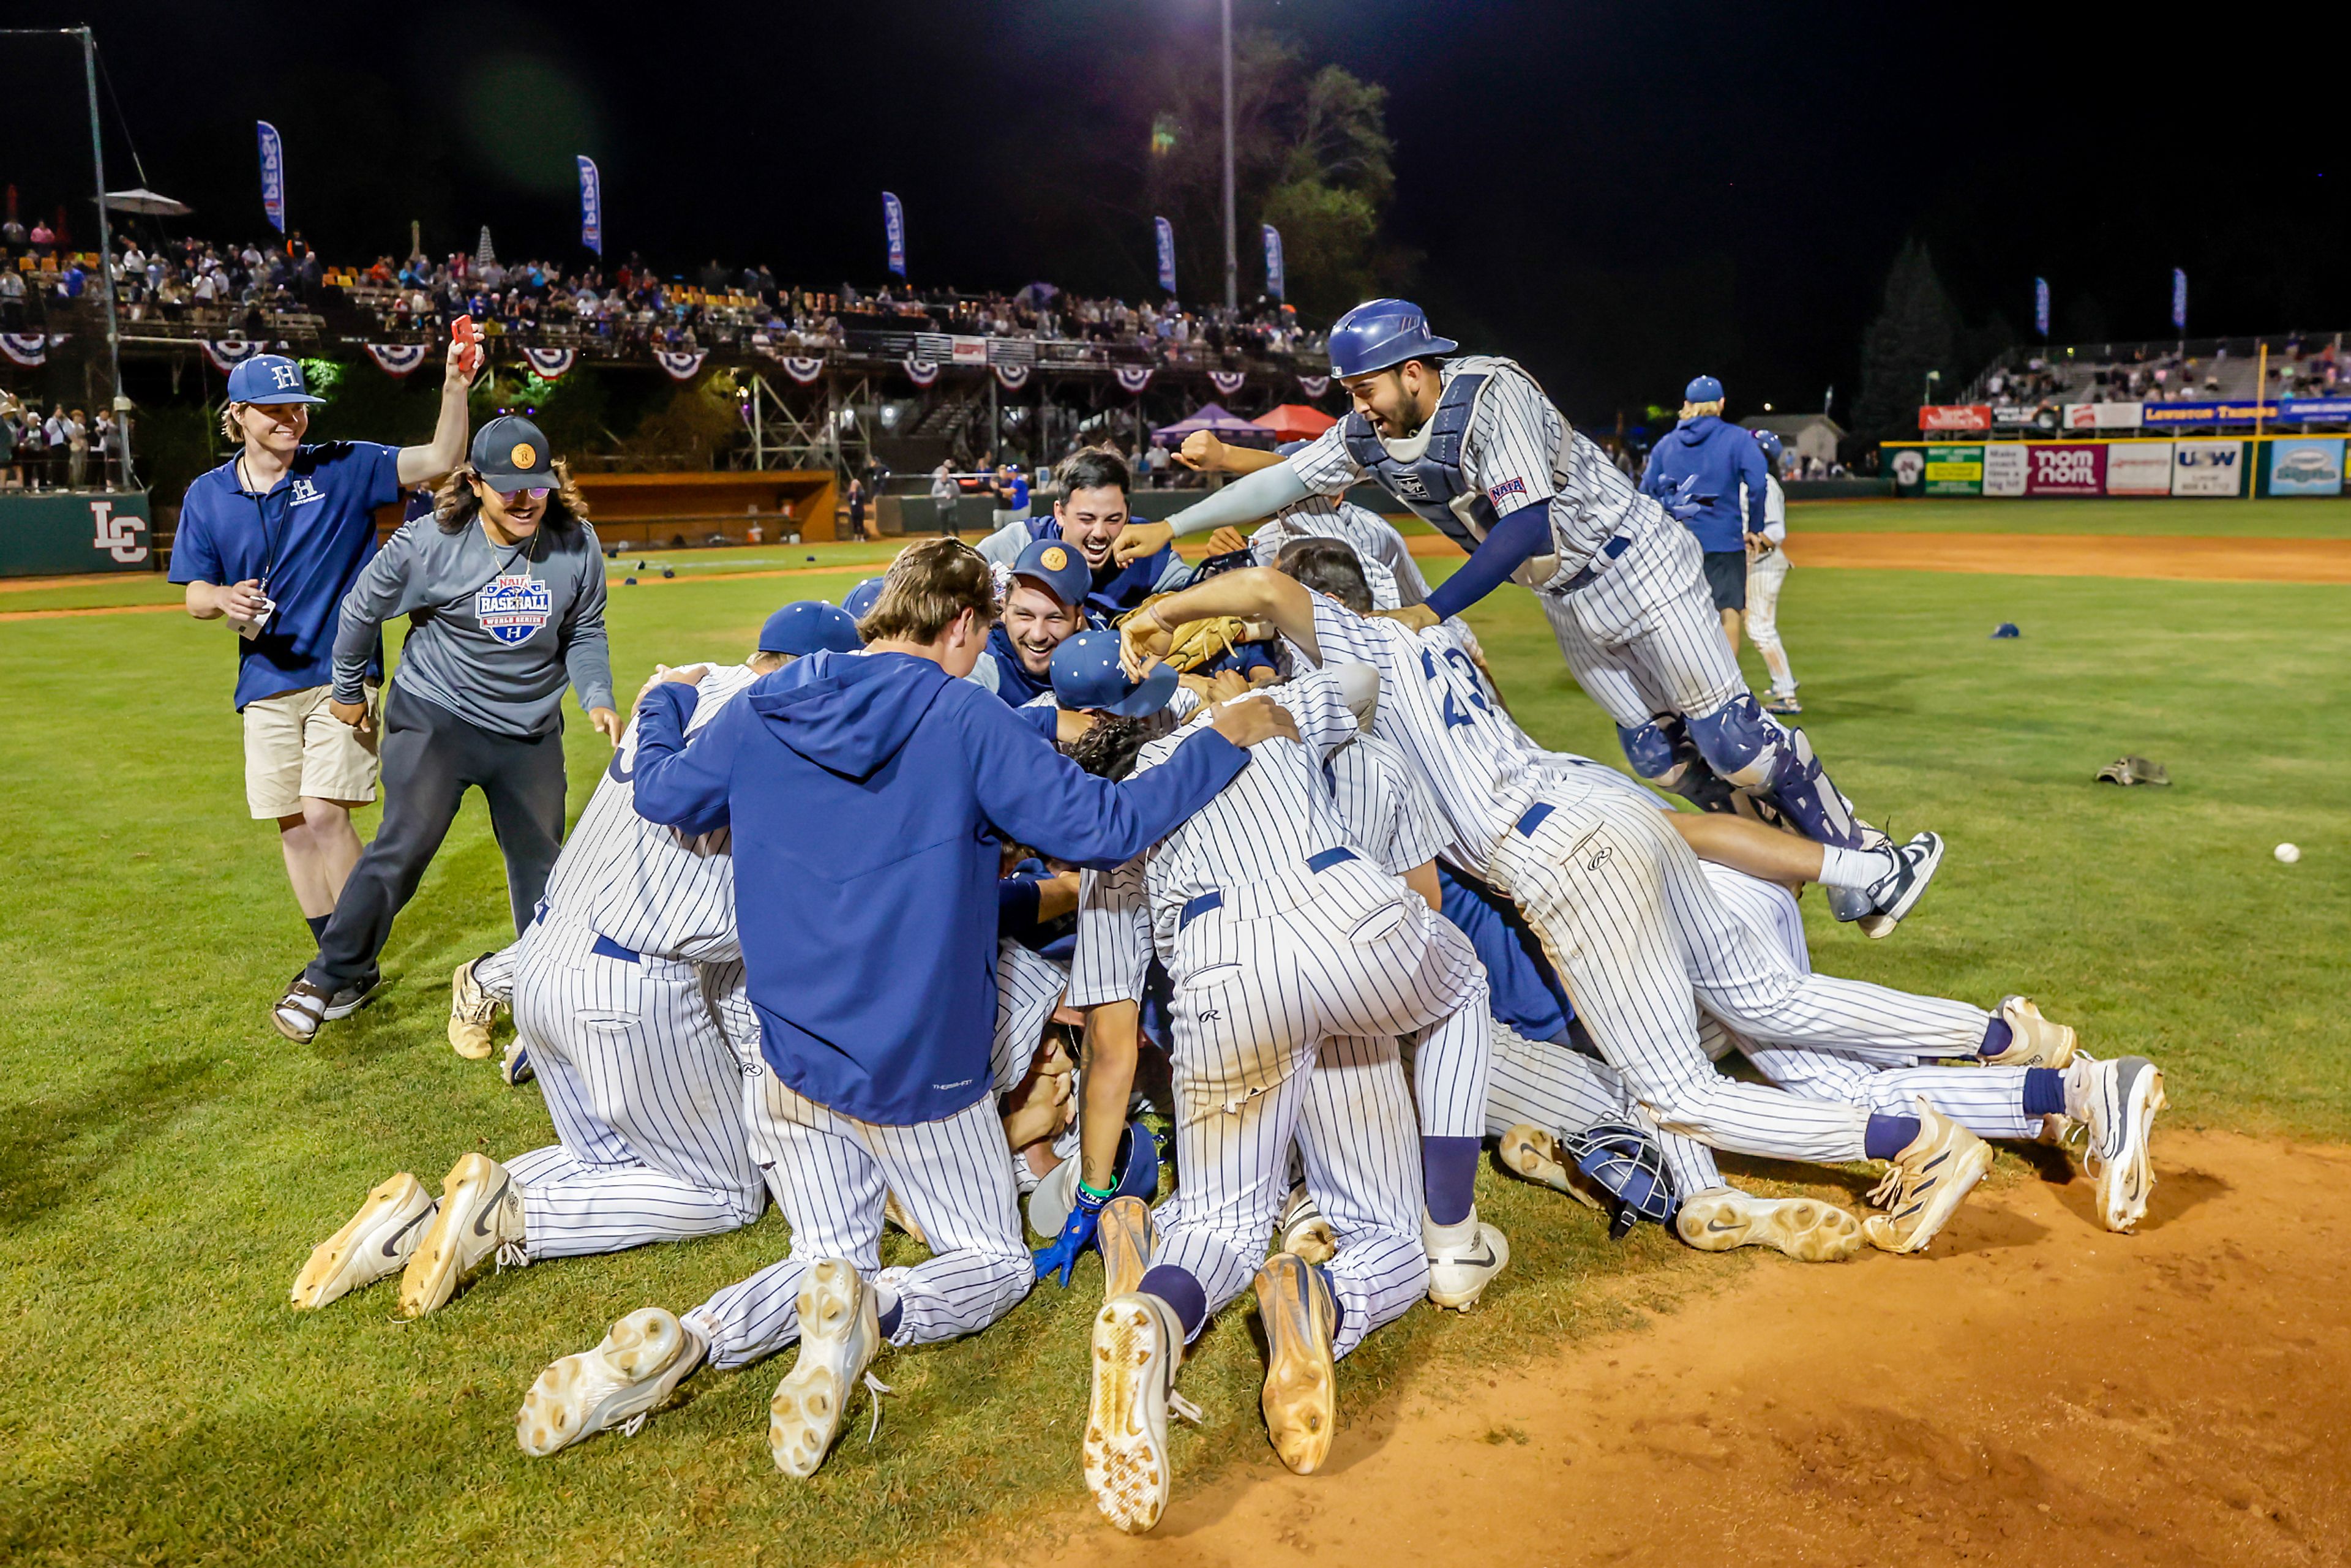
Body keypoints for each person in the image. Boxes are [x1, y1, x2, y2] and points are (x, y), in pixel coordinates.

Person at [515, 538, 1298, 1478]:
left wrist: (669, 700)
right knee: (993, 1261)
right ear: (965, 625)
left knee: (828, 1254)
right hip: (919, 1065)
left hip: (790, 1055)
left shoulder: (768, 701)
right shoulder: (965, 716)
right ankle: (875, 1319)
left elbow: (667, 792)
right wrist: (1227, 736)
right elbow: (1107, 828)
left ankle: (692, 1338)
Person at [1123, 551, 2072, 1259]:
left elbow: (1269, 596)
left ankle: (1916, 1142)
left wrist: (1167, 614)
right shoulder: (1426, 639)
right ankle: (2013, 1048)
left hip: (1570, 861)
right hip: (1623, 818)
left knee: (1678, 1094)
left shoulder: (1355, 669)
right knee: (1770, 1009)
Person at [1114, 300, 1915, 934]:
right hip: (1568, 594)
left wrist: (1431, 608)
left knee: (1732, 739)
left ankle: (1860, 851)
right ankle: (1784, 852)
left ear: (1416, 371)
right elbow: (1284, 481)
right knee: (1658, 758)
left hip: (1636, 561)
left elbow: (1526, 525)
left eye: (1363, 388)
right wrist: (1171, 525)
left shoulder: (1492, 395)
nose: (1354, 406)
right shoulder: (1374, 430)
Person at [290, 601, 865, 1319]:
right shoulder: (780, 722)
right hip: (627, 984)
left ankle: (414, 1218)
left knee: (617, 1163)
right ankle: (518, 1218)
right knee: (725, 1190)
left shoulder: (685, 687)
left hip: (539, 963)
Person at [1057, 664, 1498, 1533]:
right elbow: (1365, 680)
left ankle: (1157, 1308)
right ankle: (1398, 1262)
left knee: (1222, 1215)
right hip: (1351, 917)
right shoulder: (1249, 716)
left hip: (1223, 967)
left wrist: (1096, 1186)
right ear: (1166, 704)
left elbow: (1110, 1041)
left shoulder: (1113, 827)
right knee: (1460, 992)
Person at [271, 414, 618, 1044]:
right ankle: (328, 977)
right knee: (405, 845)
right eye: (507, 485)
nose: (523, 498)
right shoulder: (429, 541)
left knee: (543, 868)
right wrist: (348, 691)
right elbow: (360, 609)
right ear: (476, 482)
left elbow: (586, 629)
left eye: (536, 485)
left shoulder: (577, 542)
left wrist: (597, 694)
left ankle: (544, 1001)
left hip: (530, 728)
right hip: (438, 716)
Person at [170, 342, 474, 1013]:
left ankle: (346, 961)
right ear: (240, 414)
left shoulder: (342, 465)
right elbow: (192, 591)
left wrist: (455, 385)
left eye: (298, 407)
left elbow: (439, 460)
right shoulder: (208, 494)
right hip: (265, 678)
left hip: (342, 675)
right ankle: (342, 964)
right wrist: (222, 599)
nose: (291, 420)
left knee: (324, 812)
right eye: (274, 410)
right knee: (291, 823)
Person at [977, 448, 1190, 621]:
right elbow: (949, 587)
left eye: (1113, 519)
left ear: (1128, 514)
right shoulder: (1024, 542)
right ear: (1060, 513)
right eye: (1086, 519)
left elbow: (1205, 597)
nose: (1099, 533)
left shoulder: (1148, 555)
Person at [1639, 376, 1769, 653]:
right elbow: (1758, 484)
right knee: (1728, 613)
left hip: (1676, 547)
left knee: (1680, 619)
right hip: (1724, 543)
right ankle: (1725, 691)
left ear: (1686, 405)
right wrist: (1755, 527)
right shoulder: (1737, 439)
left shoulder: (1666, 444)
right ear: (1721, 404)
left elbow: (1645, 494)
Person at [967, 537, 1093, 703]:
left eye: (1055, 618)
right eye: (1024, 615)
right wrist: (1049, 720)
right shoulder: (979, 662)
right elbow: (960, 725)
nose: (1037, 635)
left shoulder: (1099, 652)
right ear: (1004, 609)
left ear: (1079, 619)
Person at [1742, 429, 1802, 714]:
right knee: (1752, 626)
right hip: (1755, 565)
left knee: (1760, 629)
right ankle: (1783, 683)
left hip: (1765, 566)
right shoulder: (1746, 481)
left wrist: (1752, 549)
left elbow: (1776, 530)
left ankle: (1788, 694)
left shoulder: (1765, 484)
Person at [928, 462, 961, 533]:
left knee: (953, 521)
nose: (944, 476)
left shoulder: (953, 482)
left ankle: (957, 535)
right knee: (943, 524)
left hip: (951, 505)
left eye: (946, 474)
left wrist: (951, 496)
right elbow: (933, 495)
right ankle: (945, 538)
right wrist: (942, 495)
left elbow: (958, 494)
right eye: (943, 474)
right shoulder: (937, 484)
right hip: (941, 507)